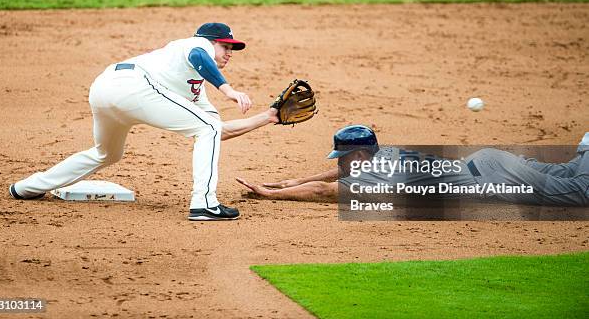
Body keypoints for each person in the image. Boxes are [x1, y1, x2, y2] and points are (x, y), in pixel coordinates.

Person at [11, 22, 281, 221]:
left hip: (106, 89)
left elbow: (216, 132)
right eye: (226, 46)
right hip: (132, 85)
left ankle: (26, 188)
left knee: (107, 153)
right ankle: (204, 204)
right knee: (205, 128)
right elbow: (200, 58)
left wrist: (268, 117)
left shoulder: (194, 88)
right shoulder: (194, 45)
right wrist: (228, 90)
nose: (230, 52)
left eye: (232, 48)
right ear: (211, 42)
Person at [237, 126, 589, 207]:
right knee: (569, 174)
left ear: (359, 156)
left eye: (342, 155)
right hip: (491, 162)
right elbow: (336, 174)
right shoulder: (383, 153)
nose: (339, 162)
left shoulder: (376, 174)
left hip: (497, 176)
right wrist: (294, 179)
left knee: (579, 192)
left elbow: (326, 190)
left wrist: (271, 194)